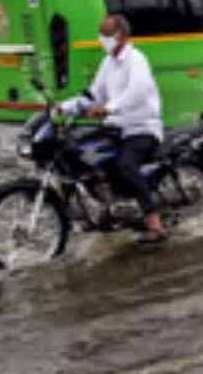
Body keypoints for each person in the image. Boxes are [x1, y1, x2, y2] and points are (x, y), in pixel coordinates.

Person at [64, 14, 166, 242]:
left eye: (107, 35)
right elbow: (93, 93)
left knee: (126, 164)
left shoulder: (137, 60)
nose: (103, 40)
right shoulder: (107, 62)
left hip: (141, 127)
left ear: (122, 35)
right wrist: (65, 107)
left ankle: (154, 221)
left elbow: (135, 92)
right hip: (115, 128)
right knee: (82, 153)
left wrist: (109, 108)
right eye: (101, 35)